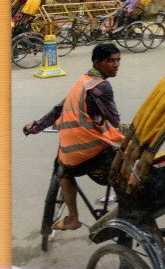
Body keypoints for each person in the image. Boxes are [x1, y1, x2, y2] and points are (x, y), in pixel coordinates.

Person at [23, 43, 124, 231]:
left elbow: (58, 109)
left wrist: (36, 127)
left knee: (63, 172)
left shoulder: (82, 81)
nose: (116, 65)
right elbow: (115, 120)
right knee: (121, 168)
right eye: (111, 61)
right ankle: (124, 208)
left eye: (118, 60)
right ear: (98, 63)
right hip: (92, 152)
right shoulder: (102, 88)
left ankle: (73, 219)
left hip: (72, 153)